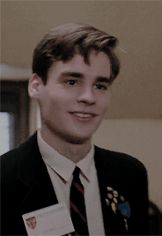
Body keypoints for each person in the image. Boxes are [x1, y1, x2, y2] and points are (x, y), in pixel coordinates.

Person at [0, 23, 149, 235]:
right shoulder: (4, 179)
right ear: (36, 86)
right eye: (72, 81)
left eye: (100, 86)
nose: (88, 97)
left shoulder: (130, 174)